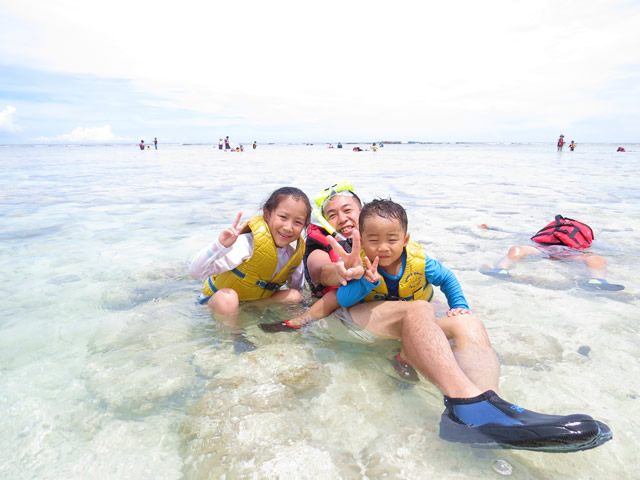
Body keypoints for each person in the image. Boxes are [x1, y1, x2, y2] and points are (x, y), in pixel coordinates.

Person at [261, 187, 611, 452]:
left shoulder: (384, 240)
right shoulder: (322, 247)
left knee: (468, 322)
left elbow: (442, 279)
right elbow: (323, 275)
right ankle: (465, 409)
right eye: (332, 214)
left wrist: (458, 306)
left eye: (348, 209)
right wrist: (341, 272)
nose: (342, 218)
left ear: (363, 211)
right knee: (419, 308)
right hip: (344, 319)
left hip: (397, 321)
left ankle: (493, 413)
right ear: (323, 222)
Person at [189, 187, 311, 320]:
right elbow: (195, 272)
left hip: (254, 303)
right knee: (228, 298)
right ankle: (235, 338)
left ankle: (252, 313)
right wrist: (220, 246)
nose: (288, 227)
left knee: (294, 296)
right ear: (267, 214)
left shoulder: (293, 257)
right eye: (283, 217)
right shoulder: (245, 244)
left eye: (298, 222)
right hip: (215, 304)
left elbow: (299, 290)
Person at [481, 215, 624, 291]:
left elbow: (517, 232)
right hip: (568, 253)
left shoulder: (548, 234)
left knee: (516, 249)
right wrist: (492, 228)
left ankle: (501, 268)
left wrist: (491, 228)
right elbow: (613, 250)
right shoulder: (586, 241)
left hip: (544, 250)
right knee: (596, 259)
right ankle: (597, 280)